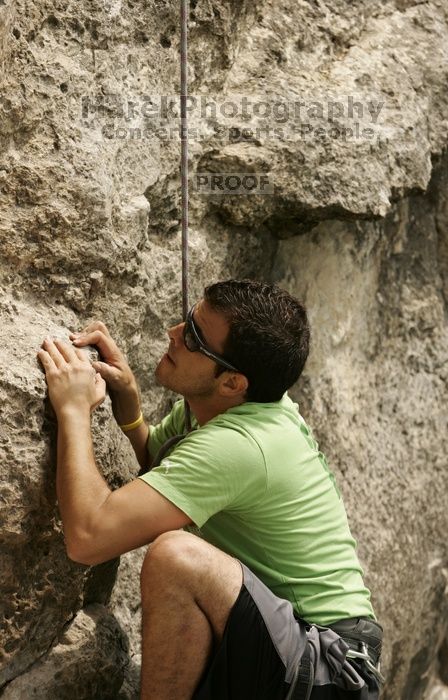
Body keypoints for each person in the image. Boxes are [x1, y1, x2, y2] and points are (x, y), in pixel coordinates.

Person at [37, 279, 383, 700]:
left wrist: (73, 409)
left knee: (175, 557)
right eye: (188, 318)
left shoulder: (239, 445)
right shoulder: (237, 405)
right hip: (297, 643)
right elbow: (164, 472)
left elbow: (89, 539)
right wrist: (128, 405)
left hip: (330, 669)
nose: (173, 333)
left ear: (233, 383)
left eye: (194, 337)